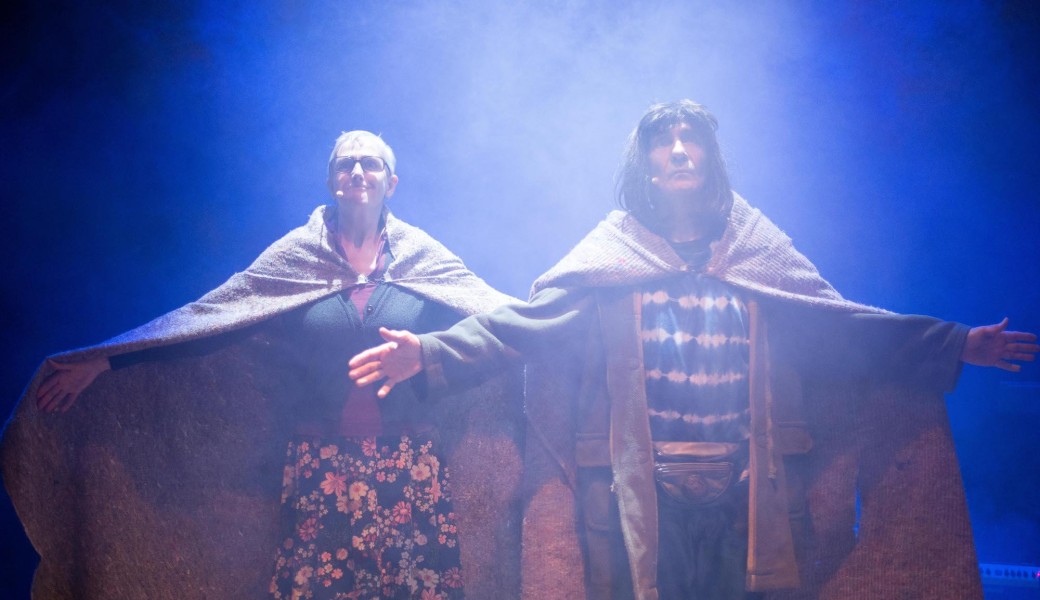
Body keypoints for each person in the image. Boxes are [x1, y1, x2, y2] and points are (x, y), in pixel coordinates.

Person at [347, 102, 1038, 600]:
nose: (678, 151)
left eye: (691, 139)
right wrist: (430, 353)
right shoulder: (613, 258)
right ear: (645, 164)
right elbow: (521, 325)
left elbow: (845, 327)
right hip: (640, 496)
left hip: (750, 492)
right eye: (663, 141)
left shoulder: (755, 254)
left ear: (710, 157)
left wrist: (955, 344)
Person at [2, 131, 523, 599]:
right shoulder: (298, 256)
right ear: (330, 181)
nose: (358, 171)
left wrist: (432, 350)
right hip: (322, 472)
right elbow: (214, 321)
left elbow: (493, 321)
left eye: (371, 163)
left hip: (410, 471)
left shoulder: (423, 259)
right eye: (345, 163)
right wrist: (110, 362)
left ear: (392, 182)